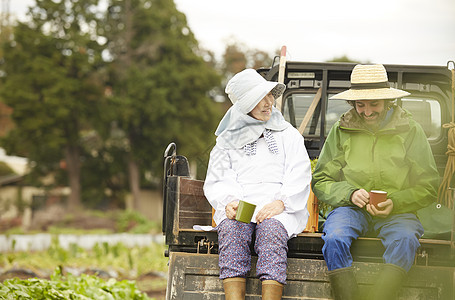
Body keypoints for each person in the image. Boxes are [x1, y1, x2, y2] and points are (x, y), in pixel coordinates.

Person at [311, 64, 439, 300]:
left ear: (387, 102)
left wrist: (396, 201)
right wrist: (349, 194)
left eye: (374, 104)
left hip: (397, 212)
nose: (367, 111)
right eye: (360, 105)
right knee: (334, 238)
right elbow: (320, 179)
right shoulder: (341, 130)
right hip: (351, 209)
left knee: (405, 239)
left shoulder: (410, 130)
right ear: (352, 104)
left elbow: (428, 186)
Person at [204, 69, 312, 300]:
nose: (268, 103)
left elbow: (299, 172)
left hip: (279, 207)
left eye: (269, 95)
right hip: (243, 203)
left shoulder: (288, 134)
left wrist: (282, 202)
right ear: (243, 106)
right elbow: (219, 177)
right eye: (259, 98)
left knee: (271, 231)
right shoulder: (226, 141)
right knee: (232, 231)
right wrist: (229, 201)